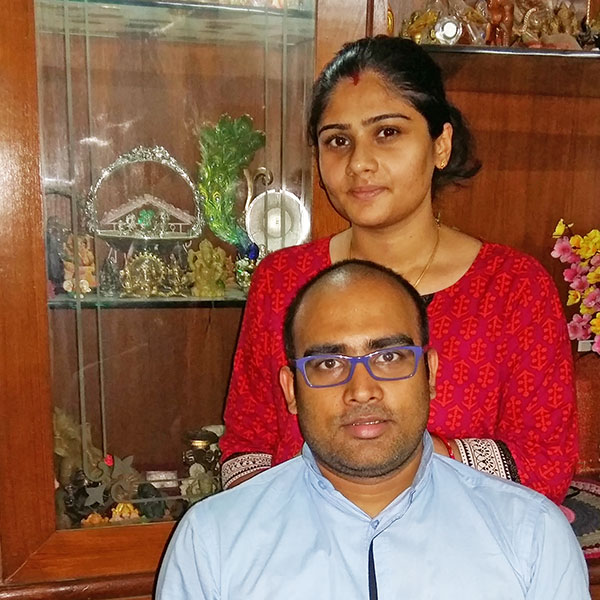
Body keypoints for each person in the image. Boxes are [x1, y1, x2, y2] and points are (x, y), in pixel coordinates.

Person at [220, 35, 577, 504]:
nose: (359, 163)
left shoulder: (512, 288)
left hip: (464, 544)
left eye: (387, 132)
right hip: (302, 544)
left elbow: (546, 464)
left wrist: (397, 460)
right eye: (338, 141)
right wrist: (275, 527)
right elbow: (245, 447)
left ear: (441, 144)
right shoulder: (283, 282)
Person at [157, 261, 589, 599]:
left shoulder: (531, 536)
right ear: (291, 390)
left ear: (430, 373)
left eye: (389, 357)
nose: (361, 390)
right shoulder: (213, 542)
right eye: (329, 363)